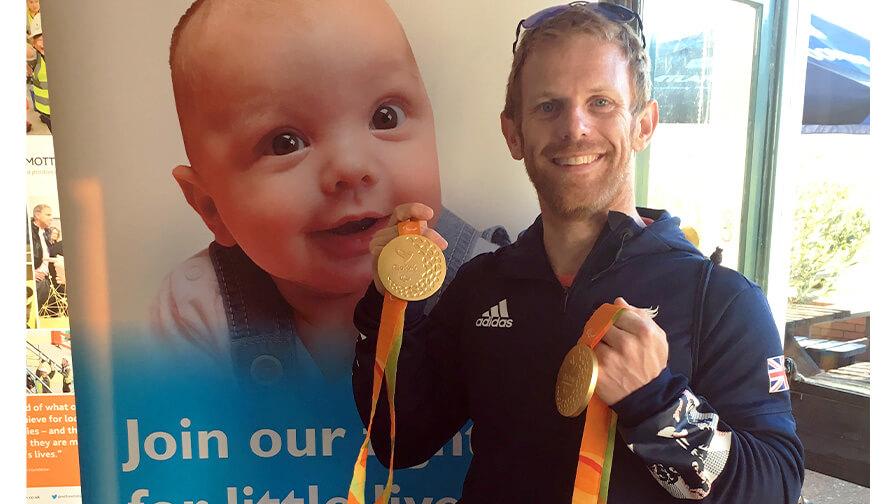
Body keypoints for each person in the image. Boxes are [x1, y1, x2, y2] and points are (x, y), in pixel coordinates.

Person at [353, 3, 803, 503]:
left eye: (601, 102)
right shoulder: (481, 285)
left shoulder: (719, 299)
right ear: (513, 134)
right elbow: (400, 441)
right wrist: (393, 305)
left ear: (643, 125)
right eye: (549, 106)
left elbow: (776, 488)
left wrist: (656, 403)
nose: (575, 128)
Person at [151, 0, 508, 387]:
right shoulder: (200, 309)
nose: (351, 167)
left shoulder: (493, 288)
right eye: (285, 143)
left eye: (385, 117)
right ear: (211, 208)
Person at [28, 13, 51, 132]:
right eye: (40, 39)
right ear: (33, 42)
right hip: (46, 113)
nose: (43, 43)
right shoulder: (34, 57)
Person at [30, 204, 53, 312]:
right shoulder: (28, 232)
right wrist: (30, 273)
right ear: (37, 215)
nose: (51, 218)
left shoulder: (46, 233)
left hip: (46, 280)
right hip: (34, 280)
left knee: (42, 313)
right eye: (48, 214)